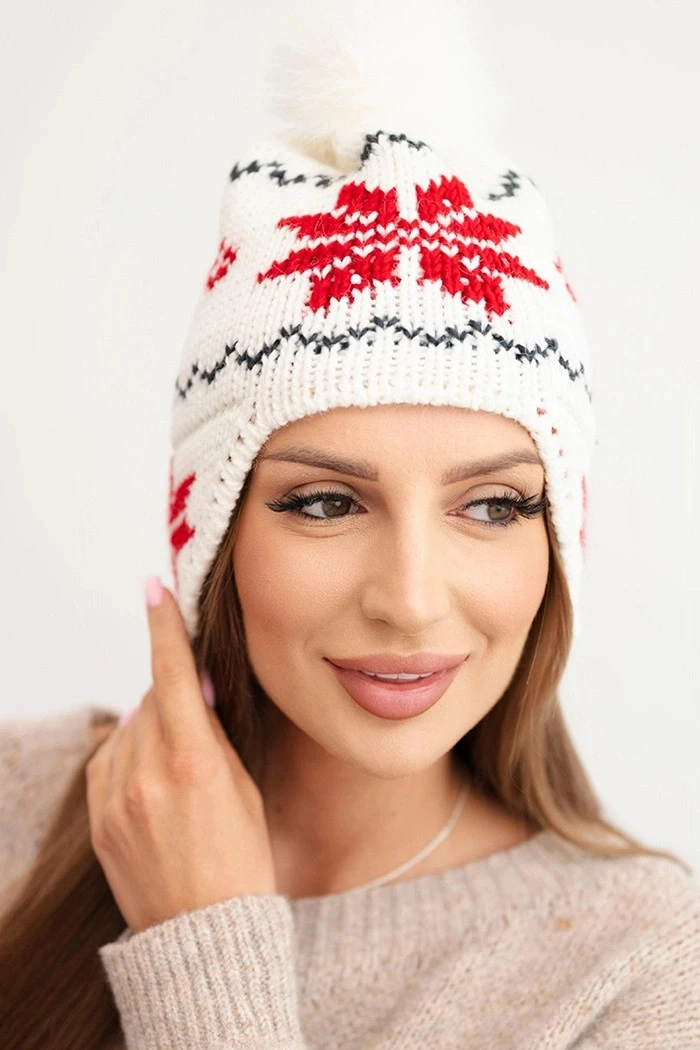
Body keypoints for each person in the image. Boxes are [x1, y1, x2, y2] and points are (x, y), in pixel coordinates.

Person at [1, 4, 698, 1048]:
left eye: (492, 506)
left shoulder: (639, 970)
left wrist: (204, 951)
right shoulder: (22, 800)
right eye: (327, 502)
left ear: (557, 546)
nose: (409, 600)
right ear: (212, 533)